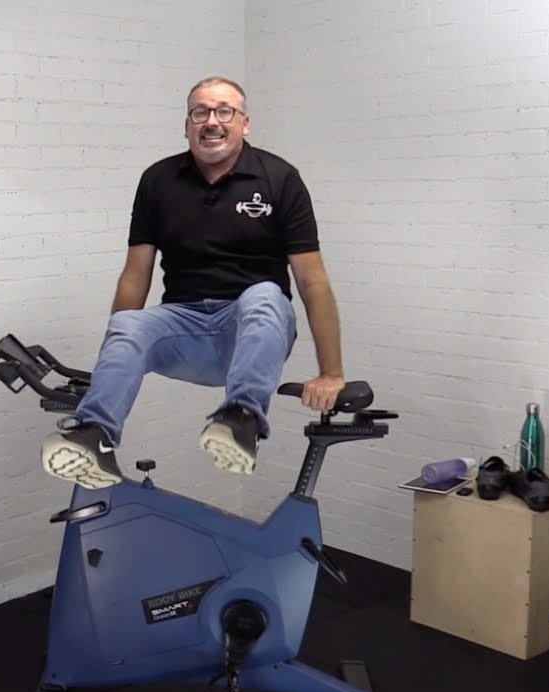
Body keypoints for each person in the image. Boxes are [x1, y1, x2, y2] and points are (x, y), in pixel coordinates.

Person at [40, 76, 346, 489]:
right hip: (183, 328)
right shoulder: (158, 180)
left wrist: (331, 373)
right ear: (187, 125)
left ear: (244, 123)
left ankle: (241, 420)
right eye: (200, 113)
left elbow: (312, 280)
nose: (211, 122)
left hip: (250, 332)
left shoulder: (279, 178)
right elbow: (135, 274)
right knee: (128, 323)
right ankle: (96, 437)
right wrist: (114, 364)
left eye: (224, 111)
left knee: (263, 295)